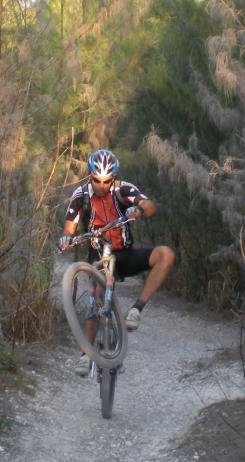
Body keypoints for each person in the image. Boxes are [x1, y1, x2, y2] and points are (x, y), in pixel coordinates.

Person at [59, 148, 176, 376]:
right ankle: (86, 355)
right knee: (96, 299)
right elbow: (70, 225)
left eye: (106, 181)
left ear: (113, 177)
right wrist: (66, 238)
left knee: (166, 255)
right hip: (98, 257)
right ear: (89, 176)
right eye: (96, 180)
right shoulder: (81, 194)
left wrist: (138, 209)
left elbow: (149, 204)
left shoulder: (123, 188)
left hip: (124, 254)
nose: (101, 186)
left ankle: (136, 311)